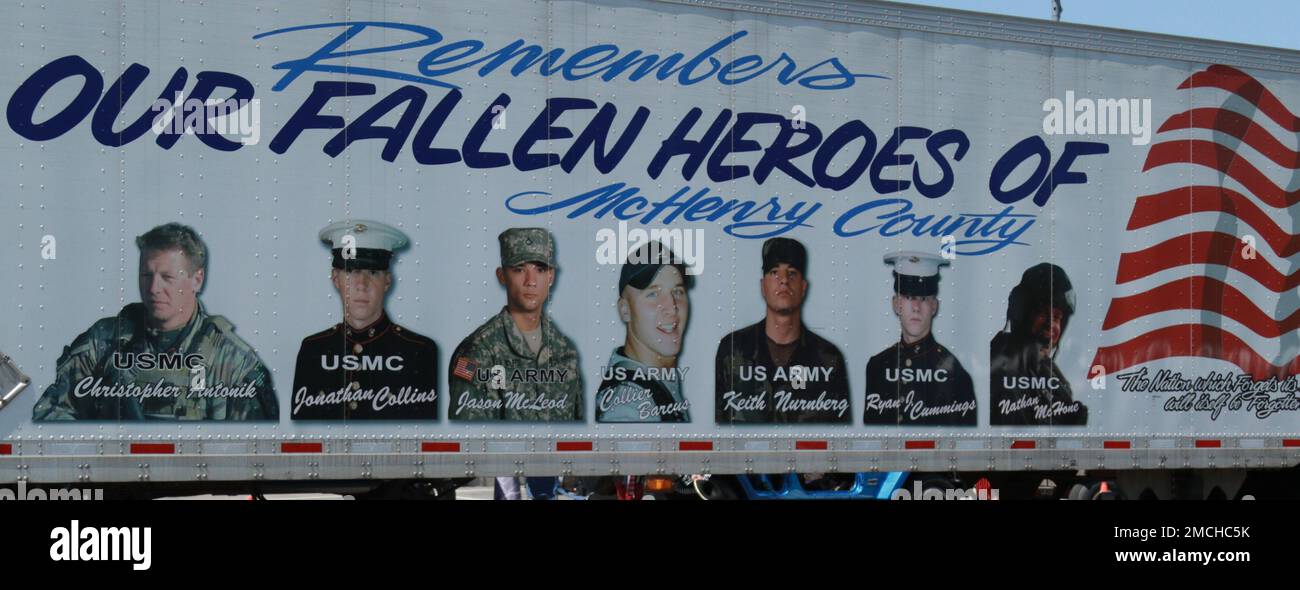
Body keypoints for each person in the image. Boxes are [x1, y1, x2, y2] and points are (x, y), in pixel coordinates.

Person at [32, 223, 277, 420]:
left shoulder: (232, 360)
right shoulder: (104, 341)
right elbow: (52, 412)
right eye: (146, 275)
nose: (153, 288)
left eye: (167, 277)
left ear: (197, 279)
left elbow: (253, 446)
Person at [291, 220, 438, 420]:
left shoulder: (418, 351)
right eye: (351, 271)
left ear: (387, 281)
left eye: (373, 272)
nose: (362, 284)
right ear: (336, 279)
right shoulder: (313, 350)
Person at [448, 228, 583, 421]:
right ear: (502, 275)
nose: (531, 281)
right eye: (519, 269)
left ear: (551, 276)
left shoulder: (565, 351)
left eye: (540, 269)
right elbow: (471, 439)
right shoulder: (476, 353)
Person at [715, 237, 850, 423]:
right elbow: (719, 425)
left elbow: (839, 435)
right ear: (763, 286)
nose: (784, 280)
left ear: (803, 287)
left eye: (792, 273)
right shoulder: (732, 349)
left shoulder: (829, 358)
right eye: (774, 272)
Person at [863, 251, 976, 426]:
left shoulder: (955, 373)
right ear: (896, 304)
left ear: (934, 306)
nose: (916, 307)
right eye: (909, 297)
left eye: (923, 299)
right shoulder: (877, 367)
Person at [596, 242, 692, 422]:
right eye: (653, 294)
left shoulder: (655, 382)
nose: (672, 307)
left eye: (677, 292)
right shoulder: (629, 407)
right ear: (625, 310)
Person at [990, 263, 1087, 425]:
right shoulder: (1001, 368)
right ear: (1020, 314)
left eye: (1057, 317)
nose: (1051, 325)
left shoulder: (1048, 373)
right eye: (1042, 312)